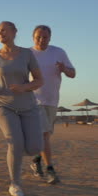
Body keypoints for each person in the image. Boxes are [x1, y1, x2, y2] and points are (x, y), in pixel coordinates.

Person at [0, 21, 44, 196]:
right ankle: (15, 184)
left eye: (3, 30)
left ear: (14, 32)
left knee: (34, 147)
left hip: (28, 105)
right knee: (16, 143)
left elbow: (39, 80)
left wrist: (24, 87)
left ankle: (19, 154)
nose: (0, 33)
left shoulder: (27, 54)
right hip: (4, 105)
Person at [29, 25, 76, 184]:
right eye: (38, 37)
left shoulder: (59, 52)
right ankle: (50, 170)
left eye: (45, 37)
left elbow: (73, 73)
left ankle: (36, 161)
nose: (41, 40)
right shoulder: (27, 54)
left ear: (50, 38)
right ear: (33, 37)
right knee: (43, 135)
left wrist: (64, 69)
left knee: (46, 135)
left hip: (52, 100)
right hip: (34, 100)